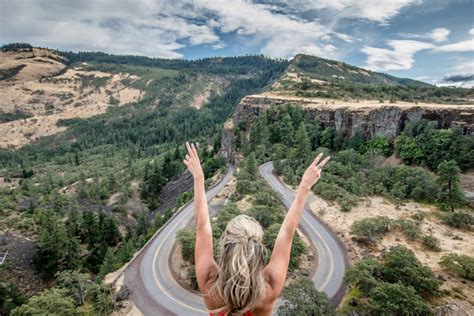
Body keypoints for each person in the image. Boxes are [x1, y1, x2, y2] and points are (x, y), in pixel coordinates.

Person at [183, 142, 330, 316]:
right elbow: (286, 232)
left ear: (225, 249)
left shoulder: (210, 283)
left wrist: (199, 179)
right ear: (259, 252)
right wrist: (304, 187)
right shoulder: (268, 287)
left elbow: (202, 226)